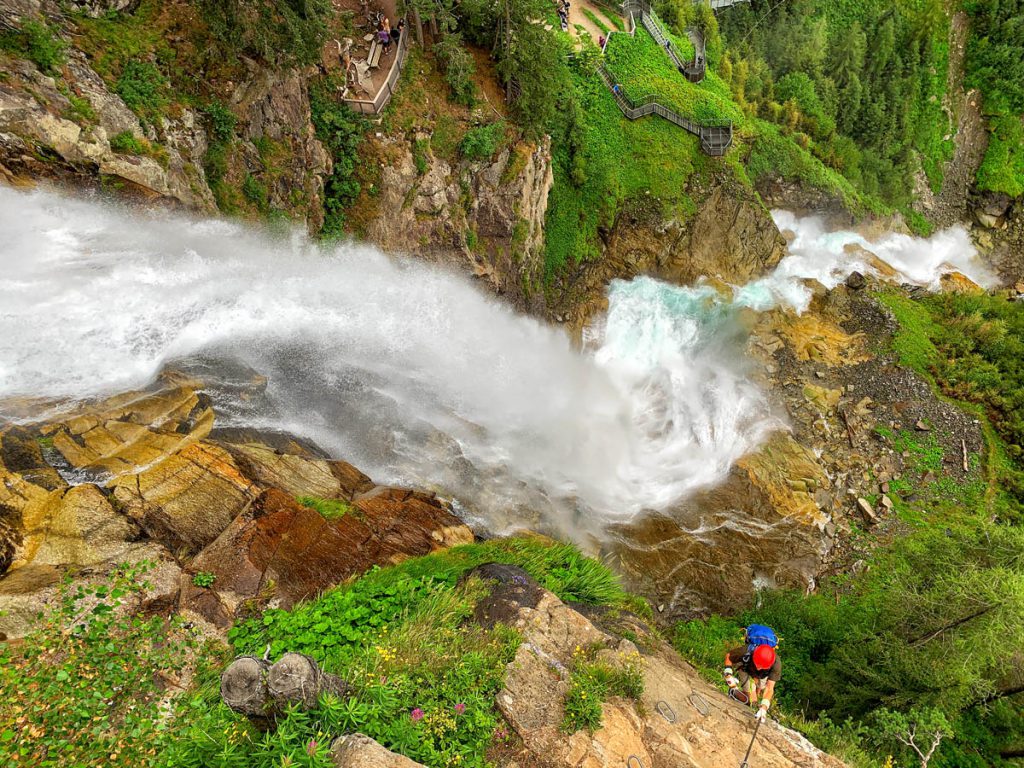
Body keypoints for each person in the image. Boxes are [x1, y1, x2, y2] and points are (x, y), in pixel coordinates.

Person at [723, 625, 781, 722]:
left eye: (761, 666)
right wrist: (728, 674)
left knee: (760, 688)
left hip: (763, 675)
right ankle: (735, 693)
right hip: (746, 668)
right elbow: (729, 656)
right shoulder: (746, 651)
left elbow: (769, 688)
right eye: (758, 664)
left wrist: (764, 706)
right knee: (749, 700)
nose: (758, 667)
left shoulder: (776, 663)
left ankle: (756, 698)